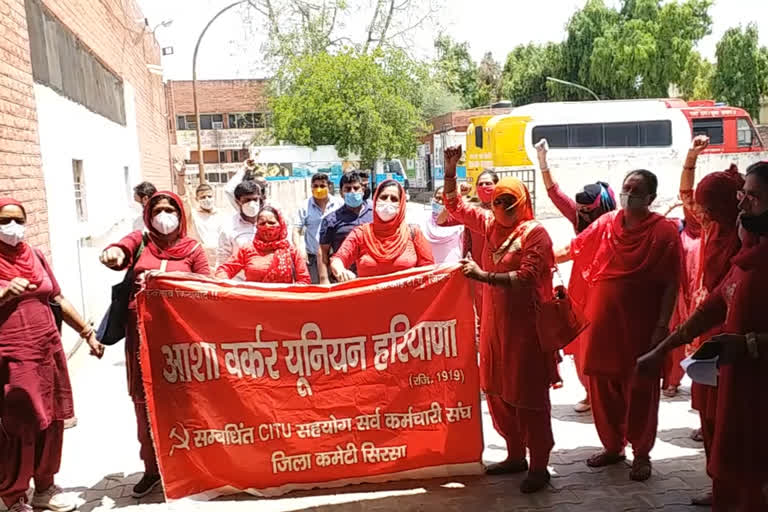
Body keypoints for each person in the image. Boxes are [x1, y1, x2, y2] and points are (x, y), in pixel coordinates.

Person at [637, 160, 768, 511]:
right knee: (732, 454)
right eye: (743, 196)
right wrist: (660, 351)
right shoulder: (747, 258)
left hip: (757, 389)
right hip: (737, 382)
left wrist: (749, 343)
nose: (743, 205)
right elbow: (710, 308)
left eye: (753, 197)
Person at [442, 146, 556, 493]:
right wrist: (450, 170)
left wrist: (483, 277)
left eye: (509, 203)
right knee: (498, 392)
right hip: (494, 325)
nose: (501, 209)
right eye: (496, 202)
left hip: (526, 329)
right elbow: (455, 207)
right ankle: (514, 454)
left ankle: (539, 465)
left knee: (529, 397)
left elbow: (528, 276)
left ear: (520, 204)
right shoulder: (490, 224)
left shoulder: (535, 233)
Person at [557, 169, 681, 481]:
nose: (628, 194)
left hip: (641, 325)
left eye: (635, 190)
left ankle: (641, 453)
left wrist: (662, 326)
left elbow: (670, 283)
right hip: (601, 323)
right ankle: (613, 447)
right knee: (602, 386)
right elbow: (574, 248)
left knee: (640, 388)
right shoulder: (606, 223)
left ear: (650, 198)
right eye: (626, 188)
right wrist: (537, 255)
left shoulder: (664, 232)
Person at [99, 191, 209, 498]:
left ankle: (190, 466)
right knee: (145, 403)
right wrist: (112, 254)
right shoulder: (140, 242)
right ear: (148, 214)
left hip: (179, 340)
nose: (164, 216)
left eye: (170, 210)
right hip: (141, 338)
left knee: (185, 400)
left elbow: (208, 288)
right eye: (158, 210)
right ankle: (152, 469)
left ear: (180, 214)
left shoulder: (192, 250)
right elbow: (117, 252)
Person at [0, 198, 103, 512]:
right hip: (14, 355)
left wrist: (87, 332)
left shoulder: (35, 255)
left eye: (18, 219)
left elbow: (57, 296)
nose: (13, 227)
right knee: (21, 424)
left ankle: (45, 487)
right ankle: (14, 494)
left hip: (48, 350)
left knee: (52, 419)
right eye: (5, 221)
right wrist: (3, 292)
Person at [535, 139, 617, 413]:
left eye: (587, 210)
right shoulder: (578, 220)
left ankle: (604, 395)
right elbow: (555, 193)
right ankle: (589, 391)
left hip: (607, 289)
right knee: (579, 344)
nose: (582, 214)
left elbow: (568, 251)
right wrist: (542, 160)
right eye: (580, 210)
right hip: (580, 288)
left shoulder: (617, 224)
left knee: (603, 344)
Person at [330, 180, 433, 280]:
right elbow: (339, 258)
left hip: (408, 296)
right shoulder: (361, 234)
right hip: (369, 296)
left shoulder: (413, 233)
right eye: (383, 197)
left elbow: (429, 270)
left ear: (401, 204)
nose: (388, 202)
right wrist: (340, 270)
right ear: (375, 200)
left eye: (394, 199)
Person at [216, 206, 310, 284]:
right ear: (257, 226)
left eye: (271, 223)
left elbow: (304, 280)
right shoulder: (247, 249)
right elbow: (225, 269)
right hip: (253, 302)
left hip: (283, 302)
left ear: (281, 225)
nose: (267, 226)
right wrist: (225, 284)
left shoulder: (291, 251)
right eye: (262, 223)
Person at [318, 172, 374, 284]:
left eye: (356, 188)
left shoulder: (375, 214)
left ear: (362, 190)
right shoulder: (331, 220)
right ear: (341, 193)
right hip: (344, 278)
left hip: (372, 275)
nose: (352, 192)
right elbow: (323, 252)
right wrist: (324, 279)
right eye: (348, 189)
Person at [293, 173, 342, 284]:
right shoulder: (304, 206)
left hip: (335, 256)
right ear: (311, 187)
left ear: (329, 187)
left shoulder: (339, 204)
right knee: (316, 289)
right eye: (315, 186)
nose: (318, 189)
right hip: (313, 257)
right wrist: (299, 250)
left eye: (322, 186)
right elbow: (296, 230)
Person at [176, 173, 226, 271]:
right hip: (200, 262)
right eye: (203, 197)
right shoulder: (193, 216)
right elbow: (183, 199)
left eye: (209, 196)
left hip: (220, 262)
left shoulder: (222, 215)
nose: (207, 199)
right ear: (197, 199)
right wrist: (180, 177)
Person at [217, 180, 262, 278]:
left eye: (255, 199)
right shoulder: (228, 228)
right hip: (240, 283)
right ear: (238, 202)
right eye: (247, 200)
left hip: (267, 282)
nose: (252, 204)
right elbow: (224, 260)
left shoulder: (269, 222)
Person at [423, 186, 464, 264]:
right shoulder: (424, 220)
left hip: (453, 267)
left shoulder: (458, 222)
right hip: (430, 268)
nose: (440, 202)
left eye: (444, 199)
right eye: (437, 198)